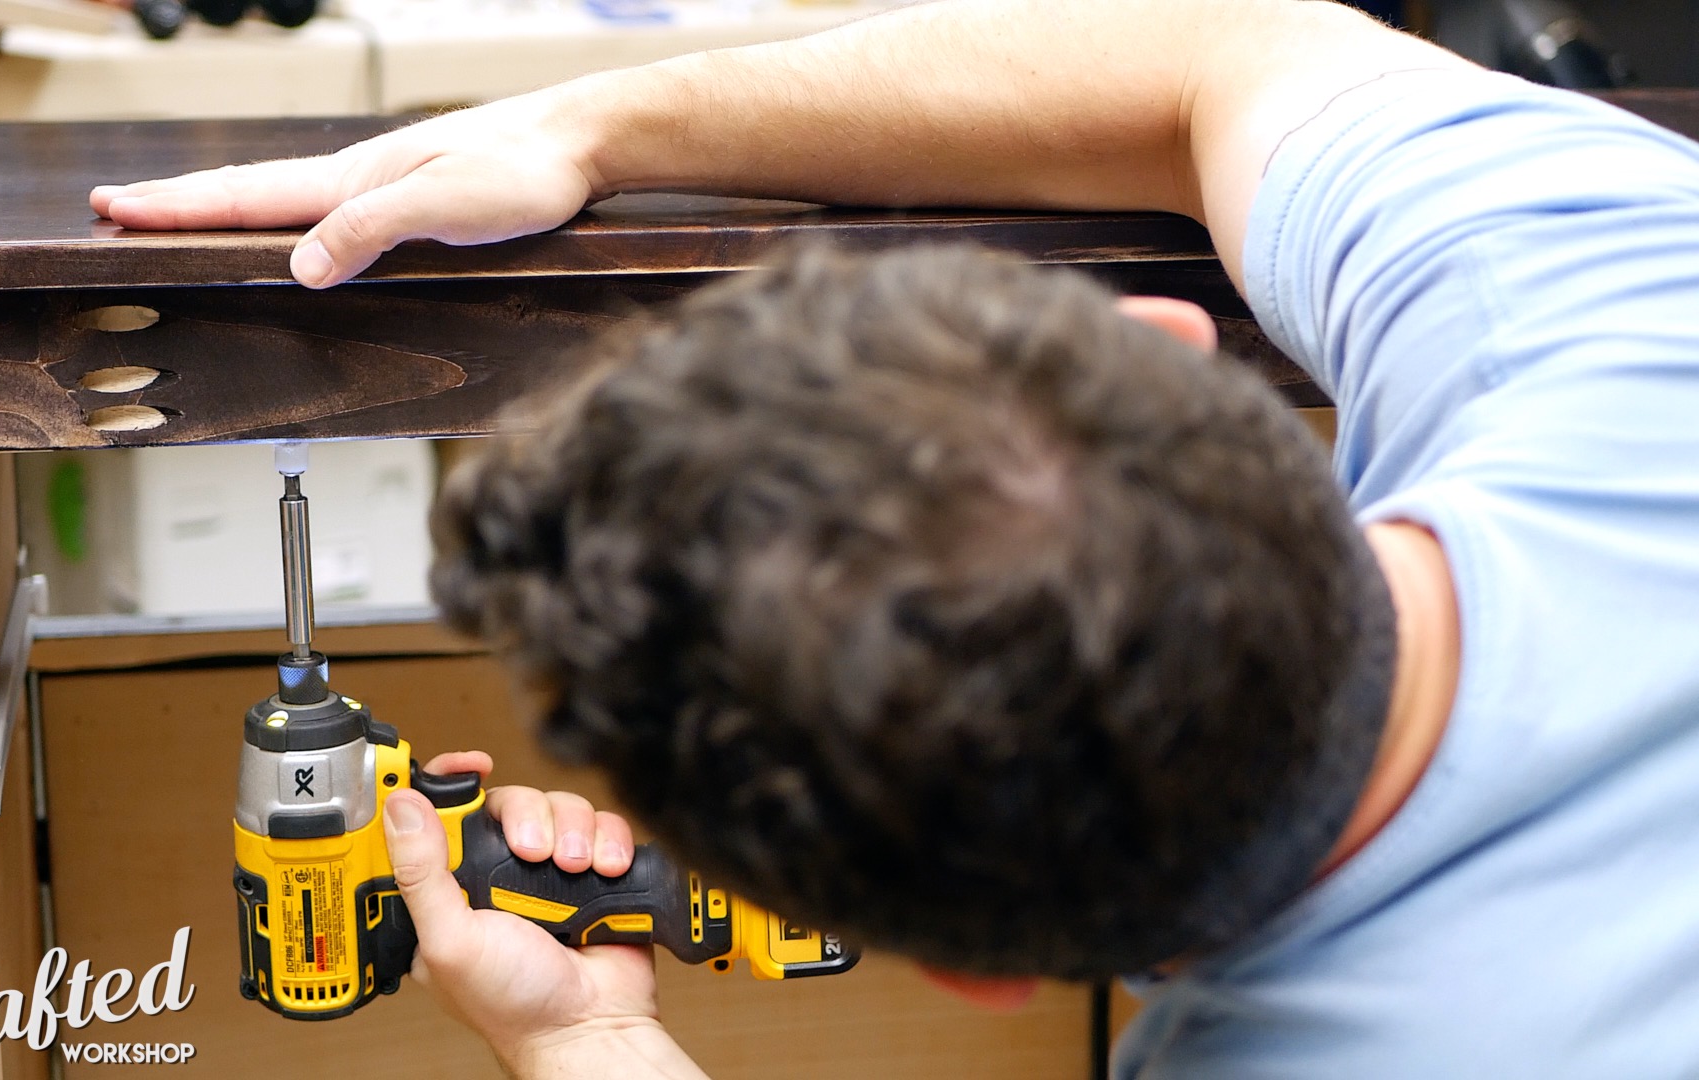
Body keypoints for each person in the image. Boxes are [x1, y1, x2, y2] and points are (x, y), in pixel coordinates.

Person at [92, 0, 1699, 1075]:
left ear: (982, 977)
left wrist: (591, 1048)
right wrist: (592, 127)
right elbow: (1237, 47)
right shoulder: (1598, 294)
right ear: (1160, 343)